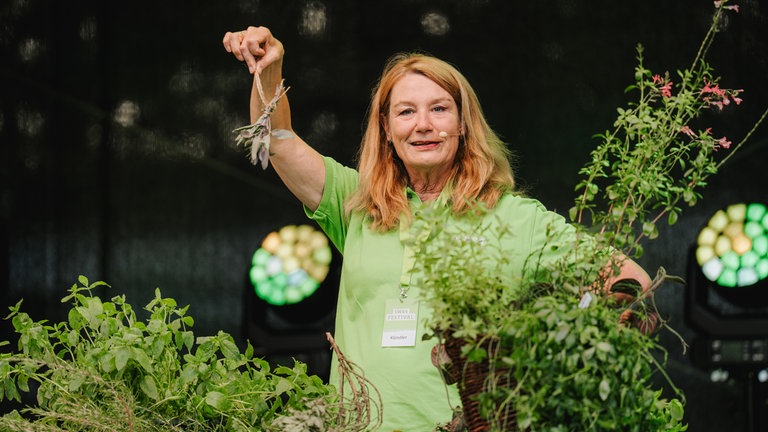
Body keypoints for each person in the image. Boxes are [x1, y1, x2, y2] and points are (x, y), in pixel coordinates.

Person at [223, 26, 653, 431]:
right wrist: (269, 67)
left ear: (463, 125)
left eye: (440, 109)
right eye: (406, 112)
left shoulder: (514, 217)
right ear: (387, 130)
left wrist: (565, 356)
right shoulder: (356, 202)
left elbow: (628, 278)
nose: (423, 124)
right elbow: (276, 141)